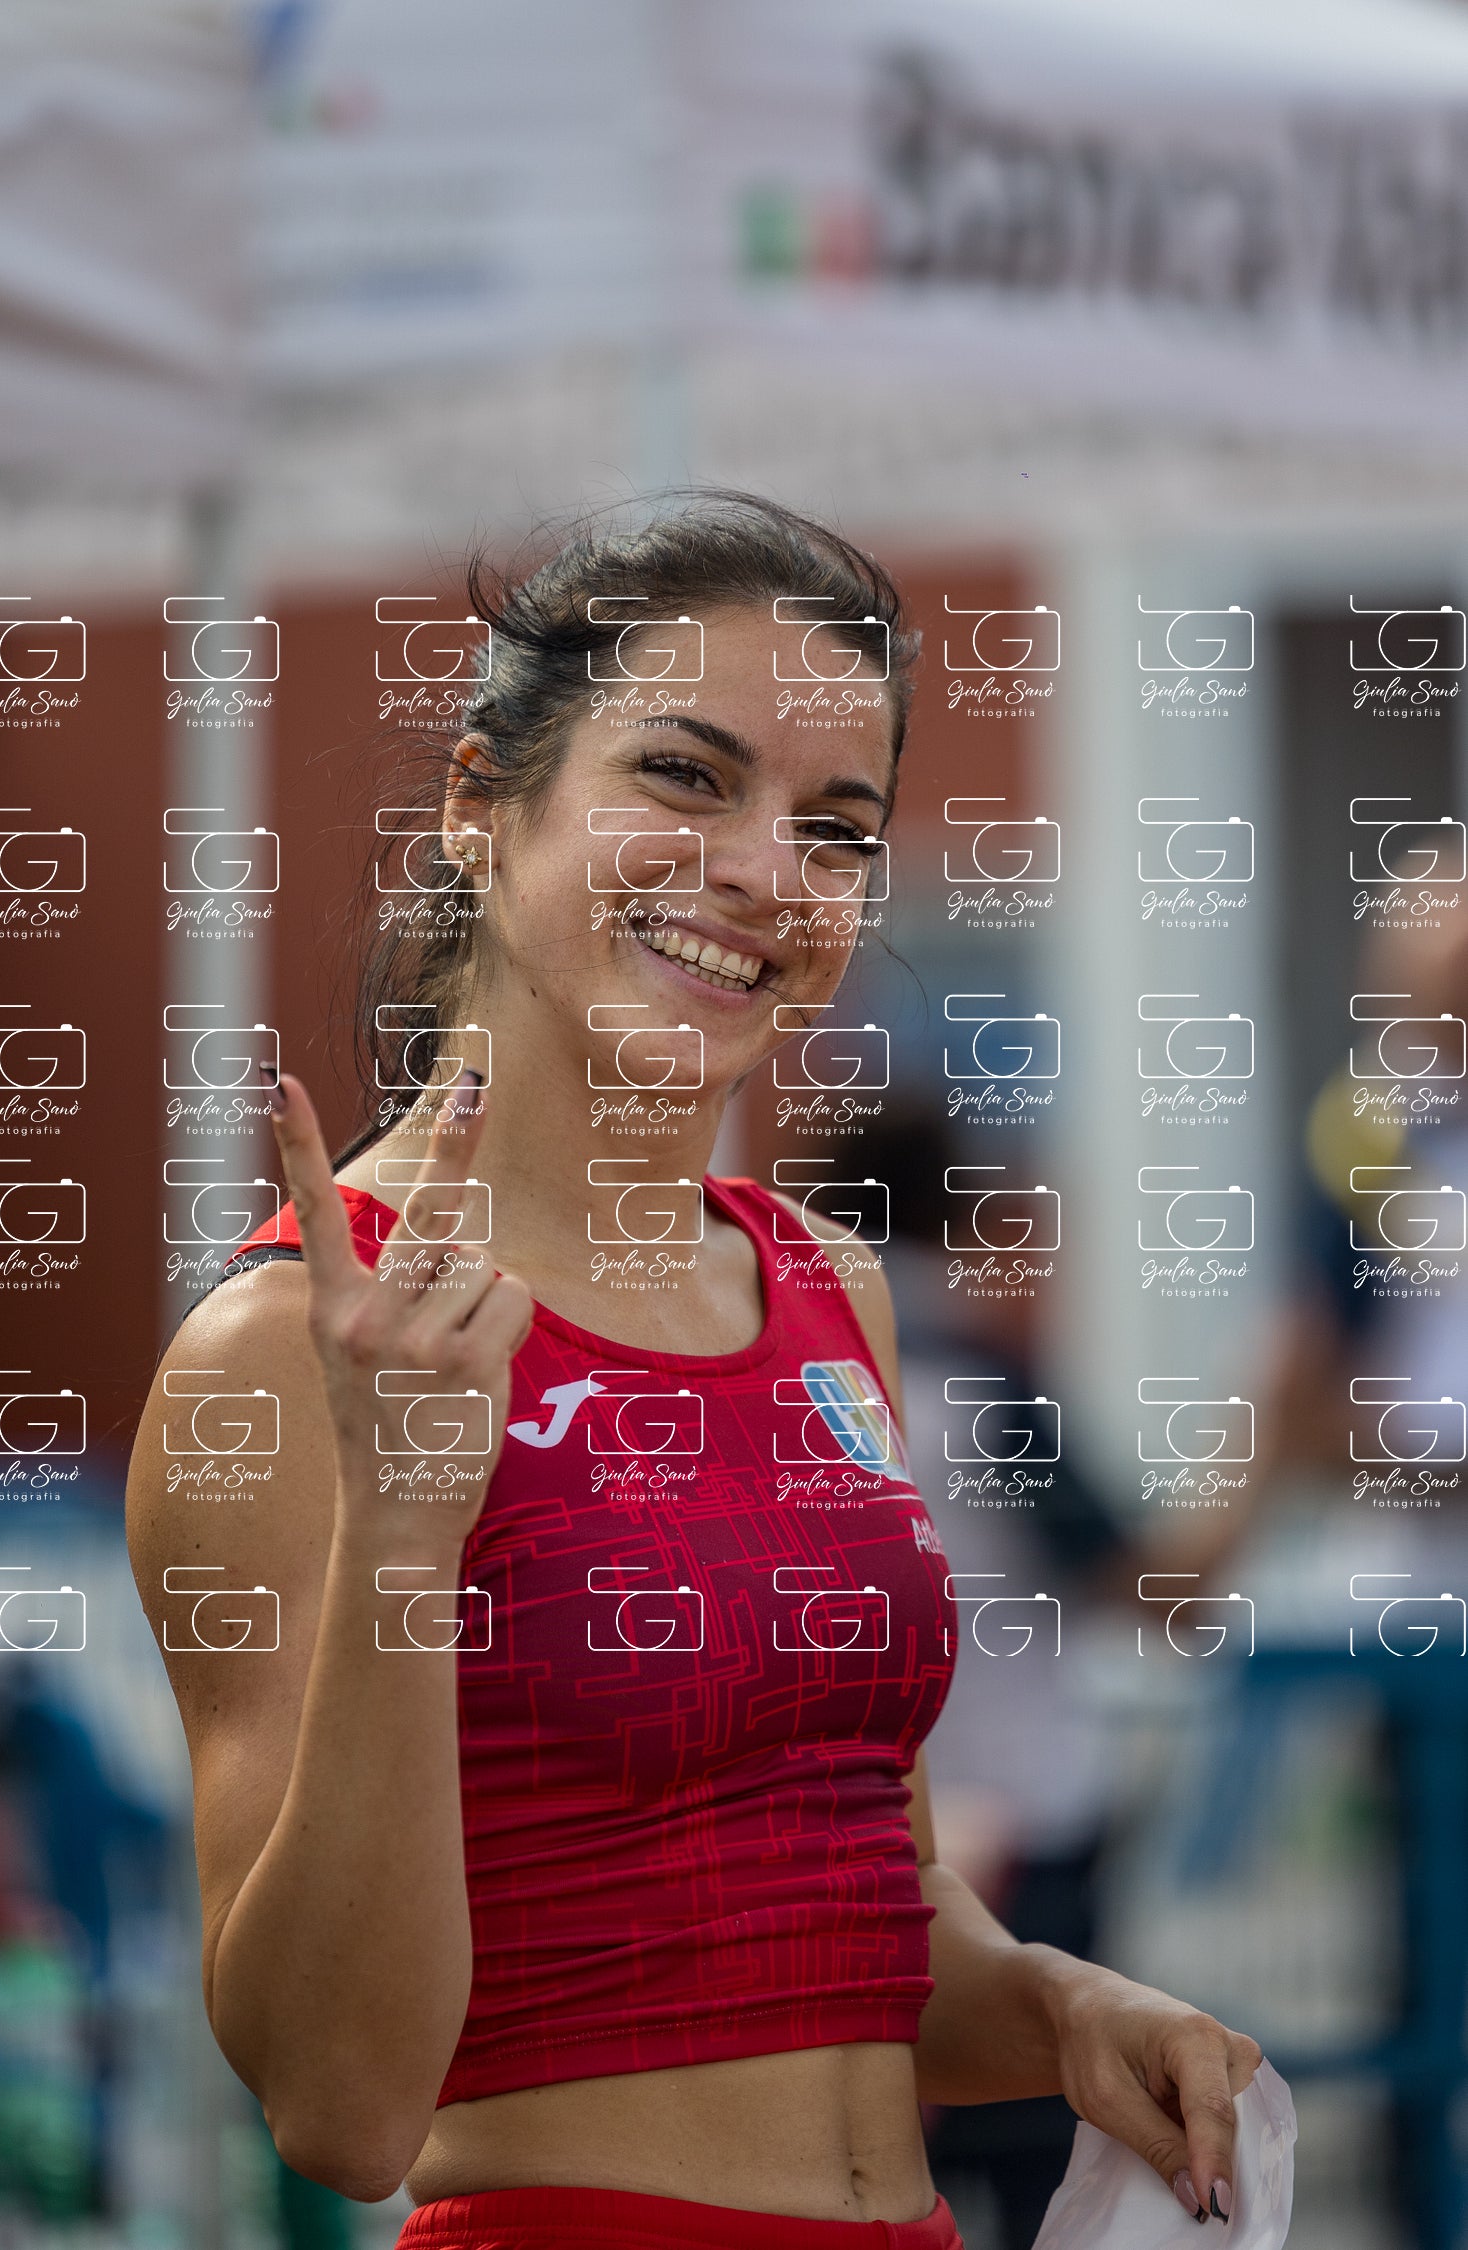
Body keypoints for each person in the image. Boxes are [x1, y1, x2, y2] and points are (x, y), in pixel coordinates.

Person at [125, 494, 1260, 2250]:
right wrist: (408, 1534)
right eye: (684, 775)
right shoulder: (287, 1348)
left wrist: (1059, 2006)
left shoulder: (831, 1291)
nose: (763, 871)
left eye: (834, 828)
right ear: (479, 804)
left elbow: (873, 1914)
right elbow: (340, 2108)